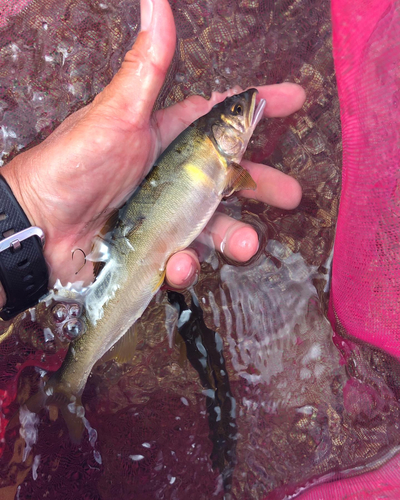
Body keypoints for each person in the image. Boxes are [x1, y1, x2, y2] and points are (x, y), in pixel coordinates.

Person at [0, 0, 304, 310]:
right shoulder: (223, 164)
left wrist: (27, 214)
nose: (245, 110)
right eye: (238, 111)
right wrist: (28, 210)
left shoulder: (221, 160)